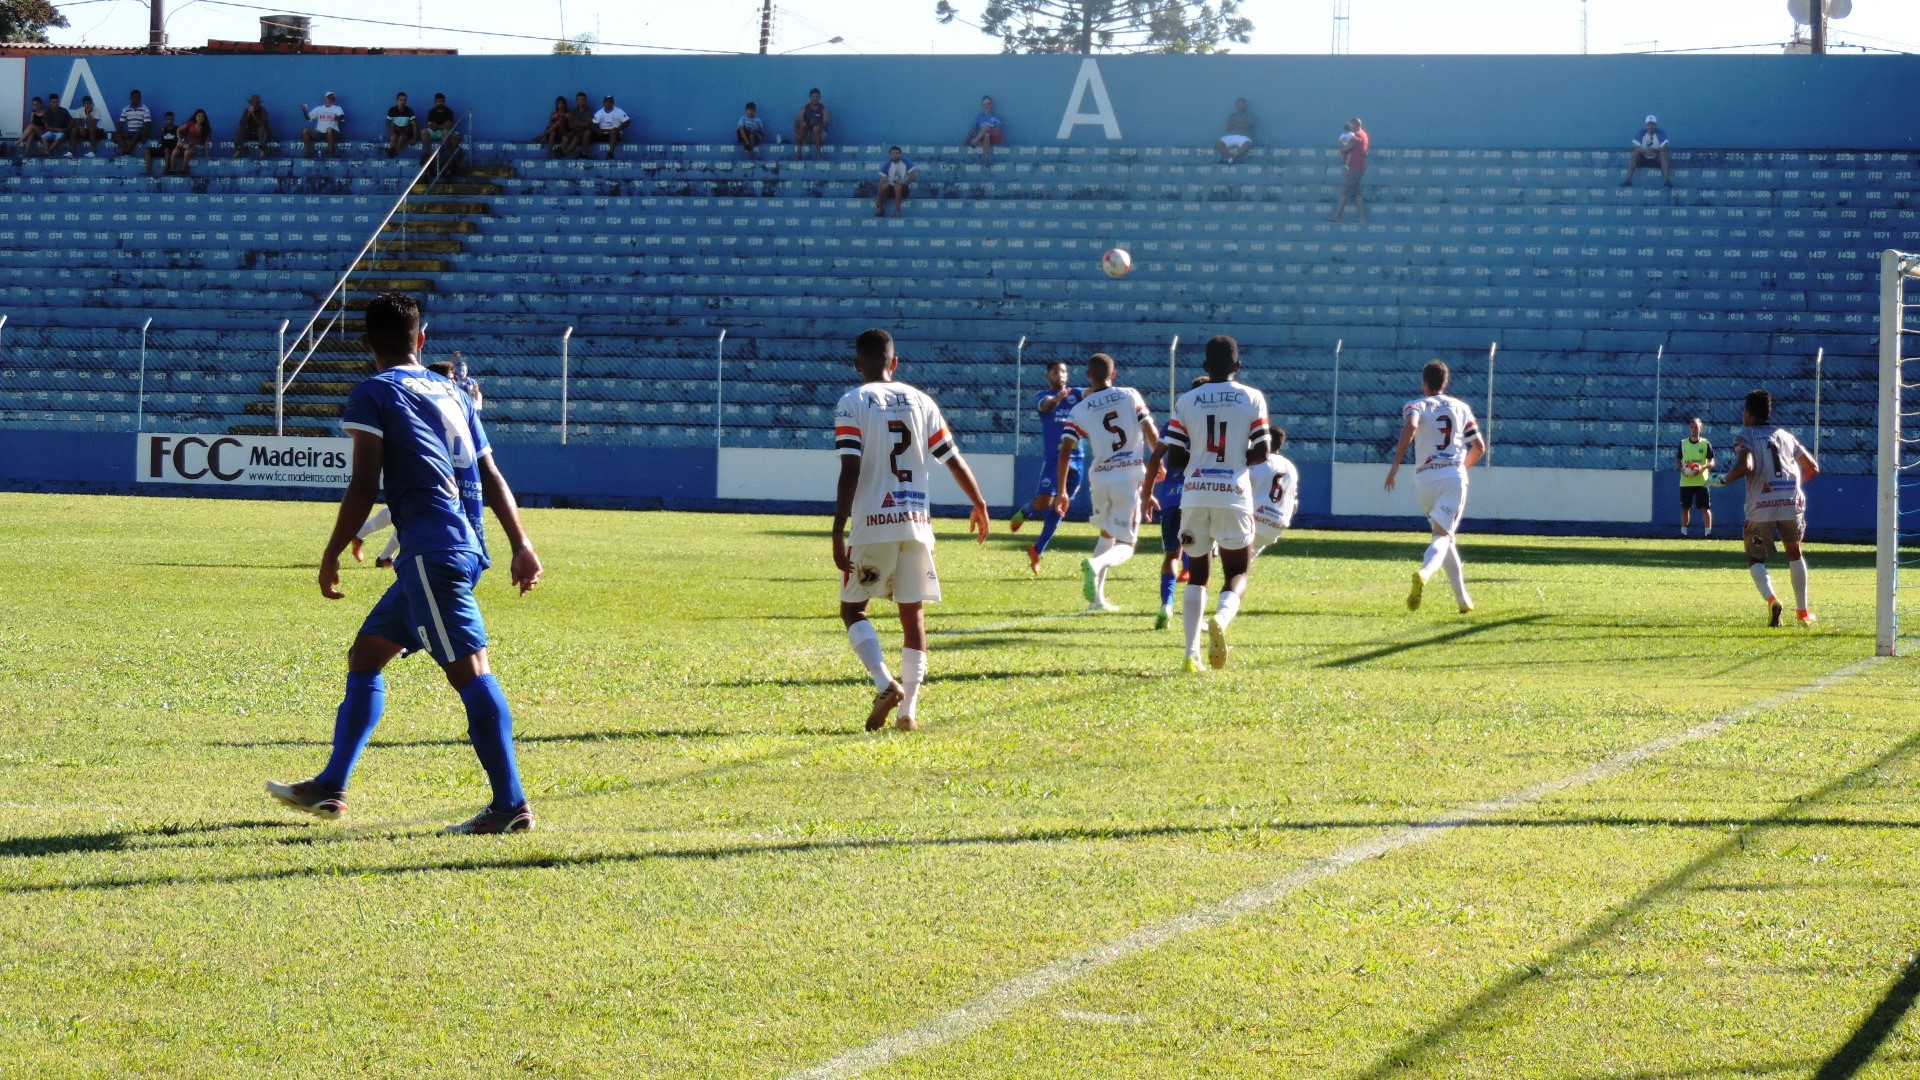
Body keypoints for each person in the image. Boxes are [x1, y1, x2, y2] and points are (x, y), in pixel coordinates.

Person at [266, 293, 545, 835]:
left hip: (432, 553)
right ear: (422, 340)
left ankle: (510, 806)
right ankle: (331, 786)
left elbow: (365, 482)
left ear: (366, 345)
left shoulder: (374, 392)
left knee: (473, 673)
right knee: (366, 654)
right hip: (457, 548)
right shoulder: (454, 391)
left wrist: (330, 551)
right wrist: (521, 542)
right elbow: (490, 474)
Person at [831, 328, 990, 731]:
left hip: (872, 524)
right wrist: (979, 501)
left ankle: (886, 684)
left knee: (853, 609)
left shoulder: (852, 402)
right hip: (916, 523)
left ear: (857, 365)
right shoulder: (922, 401)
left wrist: (837, 529)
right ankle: (909, 712)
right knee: (912, 614)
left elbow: (850, 467)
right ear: (895, 363)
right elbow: (951, 458)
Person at [1150, 336, 1271, 671]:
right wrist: (1234, 460)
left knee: (1198, 573)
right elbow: (1263, 449)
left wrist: (1200, 460)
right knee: (1237, 570)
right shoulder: (1252, 397)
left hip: (1194, 493)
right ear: (1238, 366)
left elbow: (1174, 455)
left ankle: (1191, 655)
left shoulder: (1188, 400)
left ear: (1205, 367)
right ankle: (1220, 618)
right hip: (1233, 492)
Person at [1051, 353, 1158, 613]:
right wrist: (1158, 463)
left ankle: (1096, 601)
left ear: (1089, 376)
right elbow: (1150, 430)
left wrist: (1062, 490)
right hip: (1128, 476)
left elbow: (1065, 450)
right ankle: (1096, 565)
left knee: (1107, 534)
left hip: (1099, 477)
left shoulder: (1079, 409)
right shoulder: (1130, 395)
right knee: (1127, 546)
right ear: (1114, 374)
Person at [1384, 359, 1485, 615]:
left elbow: (1412, 425)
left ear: (1424, 383)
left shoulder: (1416, 405)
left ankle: (1463, 601)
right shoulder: (1462, 408)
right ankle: (1425, 573)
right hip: (1452, 476)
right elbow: (1479, 447)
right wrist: (1461, 469)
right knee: (1442, 537)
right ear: (1446, 382)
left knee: (1445, 538)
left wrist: (1396, 464)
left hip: (1424, 478)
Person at [1716, 388, 1819, 627]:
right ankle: (1803, 613)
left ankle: (1772, 599)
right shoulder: (1785, 435)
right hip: (1790, 503)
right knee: (1794, 552)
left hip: (1762, 505)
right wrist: (1790, 486)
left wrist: (1725, 479)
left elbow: (1748, 464)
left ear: (1749, 413)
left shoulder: (1745, 437)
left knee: (1755, 556)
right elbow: (1812, 468)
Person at [1142, 375, 1209, 630]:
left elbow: (1155, 458)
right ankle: (1197, 616)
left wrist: (1147, 495)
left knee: (1172, 553)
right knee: (1202, 556)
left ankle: (1166, 605)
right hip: (1201, 494)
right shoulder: (1216, 424)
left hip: (1172, 495)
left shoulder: (1176, 423)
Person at [1008, 360, 1085, 574]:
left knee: (1061, 507)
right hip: (1054, 458)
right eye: (1055, 371)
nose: (1060, 375)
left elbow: (1093, 395)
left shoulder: (1077, 394)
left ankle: (1037, 549)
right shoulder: (1043, 397)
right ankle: (1027, 511)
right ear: (1047, 376)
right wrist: (1057, 399)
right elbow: (1045, 406)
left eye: (1063, 371)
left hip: (1077, 457)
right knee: (1044, 502)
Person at [1248, 426, 1299, 558]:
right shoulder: (1291, 468)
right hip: (1276, 526)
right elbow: (1294, 504)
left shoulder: (1259, 460)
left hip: (1253, 521)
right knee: (1244, 562)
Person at [1678, 416, 1715, 538]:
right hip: (1686, 482)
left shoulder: (1706, 444)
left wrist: (1701, 468)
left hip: (1702, 482)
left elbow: (1712, 462)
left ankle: (1708, 534)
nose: (1694, 429)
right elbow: (1678, 461)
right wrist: (1683, 469)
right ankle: (1683, 533)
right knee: (1685, 508)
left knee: (1705, 508)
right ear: (1690, 428)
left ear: (1701, 429)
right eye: (1692, 427)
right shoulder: (1683, 443)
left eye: (1697, 427)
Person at [1329, 117, 1368, 222]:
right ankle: (1362, 217)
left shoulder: (1357, 136)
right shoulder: (1363, 134)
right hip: (1360, 167)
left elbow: (1345, 148)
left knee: (1345, 192)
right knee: (1357, 193)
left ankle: (1337, 216)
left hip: (1354, 168)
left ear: (1355, 125)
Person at [1624, 115, 1673, 188]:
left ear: (1656, 125)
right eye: (1649, 124)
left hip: (1656, 158)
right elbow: (1636, 147)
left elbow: (1665, 148)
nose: (1651, 126)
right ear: (1645, 125)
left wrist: (1654, 150)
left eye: (1653, 124)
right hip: (1643, 157)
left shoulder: (1661, 132)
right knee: (1634, 154)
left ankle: (1667, 181)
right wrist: (1645, 151)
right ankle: (1628, 180)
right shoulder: (1641, 132)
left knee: (1663, 154)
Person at [300, 92, 346, 158]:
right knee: (305, 130)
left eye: (332, 98)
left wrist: (338, 118)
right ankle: (308, 153)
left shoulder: (337, 108)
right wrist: (304, 110)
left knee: (329, 130)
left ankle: (331, 154)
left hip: (332, 134)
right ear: (326, 98)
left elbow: (342, 117)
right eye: (329, 98)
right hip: (319, 133)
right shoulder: (319, 109)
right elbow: (308, 118)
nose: (331, 99)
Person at [875, 145, 916, 218]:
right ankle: (880, 209)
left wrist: (903, 182)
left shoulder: (906, 162)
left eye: (897, 153)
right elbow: (881, 181)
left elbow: (913, 176)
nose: (895, 155)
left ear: (900, 154)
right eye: (893, 153)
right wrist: (878, 197)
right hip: (890, 190)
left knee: (898, 185)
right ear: (890, 155)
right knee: (884, 184)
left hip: (903, 189)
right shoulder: (887, 165)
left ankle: (897, 211)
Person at [423, 92, 463, 167]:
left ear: (444, 102)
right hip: (434, 133)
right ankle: (428, 154)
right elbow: (430, 126)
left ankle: (444, 154)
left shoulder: (449, 112)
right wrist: (442, 126)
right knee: (424, 131)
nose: (440, 103)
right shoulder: (432, 112)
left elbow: (448, 126)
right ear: (435, 102)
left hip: (444, 133)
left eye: (442, 101)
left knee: (446, 131)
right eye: (438, 101)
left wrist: (436, 125)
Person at [963, 95, 1004, 164]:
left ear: (991, 105)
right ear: (982, 106)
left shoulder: (997, 116)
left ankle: (974, 142)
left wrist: (988, 128)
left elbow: (999, 129)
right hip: (983, 139)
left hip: (995, 138)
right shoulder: (979, 116)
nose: (987, 106)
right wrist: (965, 140)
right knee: (986, 134)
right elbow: (972, 129)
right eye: (985, 104)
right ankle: (986, 158)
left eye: (988, 104)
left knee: (986, 127)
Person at [588, 95, 630, 159]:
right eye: (607, 102)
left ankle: (611, 154)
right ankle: (584, 154)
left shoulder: (619, 111)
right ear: (603, 103)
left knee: (613, 131)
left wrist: (618, 129)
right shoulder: (599, 112)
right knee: (588, 132)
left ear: (613, 103)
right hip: (602, 134)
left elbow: (628, 122)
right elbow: (593, 124)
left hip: (615, 134)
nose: (608, 104)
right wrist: (598, 130)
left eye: (610, 102)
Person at [793, 88, 829, 161]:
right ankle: (799, 152)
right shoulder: (805, 108)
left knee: (816, 128)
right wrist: (802, 121)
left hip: (820, 134)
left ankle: (819, 153)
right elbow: (799, 118)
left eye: (817, 97)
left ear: (820, 97)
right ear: (810, 97)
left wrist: (818, 124)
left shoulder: (824, 109)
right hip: (807, 135)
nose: (815, 99)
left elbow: (826, 123)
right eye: (813, 97)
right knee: (801, 126)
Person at [114, 90, 152, 158]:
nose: (136, 99)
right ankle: (127, 152)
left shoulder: (145, 109)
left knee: (138, 133)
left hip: (139, 133)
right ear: (131, 98)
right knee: (117, 134)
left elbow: (147, 124)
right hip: (130, 132)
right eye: (134, 97)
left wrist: (145, 135)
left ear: (140, 98)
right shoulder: (126, 109)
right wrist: (117, 133)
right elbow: (121, 123)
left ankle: (126, 152)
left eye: (138, 97)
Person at [1216, 98, 1254, 164]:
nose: (1240, 105)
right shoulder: (1232, 116)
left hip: (1243, 137)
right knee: (1218, 144)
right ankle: (1230, 157)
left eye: (1242, 104)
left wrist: (1236, 124)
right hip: (1231, 136)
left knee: (1247, 144)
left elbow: (1249, 127)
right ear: (1236, 105)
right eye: (1239, 104)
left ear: (1245, 105)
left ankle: (1234, 158)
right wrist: (1241, 125)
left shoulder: (1249, 116)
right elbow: (1228, 128)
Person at [175, 108, 211, 174]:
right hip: (186, 144)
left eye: (202, 116)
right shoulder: (190, 124)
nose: (200, 118)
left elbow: (206, 141)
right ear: (195, 117)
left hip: (196, 146)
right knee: (176, 150)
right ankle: (172, 170)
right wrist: (180, 140)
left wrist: (207, 154)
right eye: (199, 116)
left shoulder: (205, 128)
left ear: (205, 118)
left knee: (187, 152)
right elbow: (178, 130)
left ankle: (184, 169)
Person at [384, 92, 420, 158]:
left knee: (402, 137)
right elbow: (388, 123)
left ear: (406, 102)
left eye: (404, 100)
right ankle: (391, 151)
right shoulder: (392, 110)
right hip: (396, 130)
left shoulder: (409, 110)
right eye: (400, 100)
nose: (402, 102)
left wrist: (414, 138)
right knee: (393, 137)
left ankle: (394, 154)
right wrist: (392, 132)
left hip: (406, 132)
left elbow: (414, 124)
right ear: (397, 101)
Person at [40, 93, 73, 158]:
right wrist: (57, 129)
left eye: (57, 102)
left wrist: (64, 130)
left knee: (59, 137)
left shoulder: (63, 110)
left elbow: (72, 123)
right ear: (50, 102)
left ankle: (47, 152)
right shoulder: (47, 111)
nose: (55, 104)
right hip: (52, 131)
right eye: (53, 102)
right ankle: (47, 152)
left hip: (61, 132)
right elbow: (46, 127)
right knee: (43, 137)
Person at [562, 91, 594, 158]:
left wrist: (576, 121)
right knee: (564, 138)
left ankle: (567, 153)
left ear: (585, 100)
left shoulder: (589, 110)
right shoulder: (573, 111)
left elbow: (588, 125)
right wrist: (582, 123)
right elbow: (570, 125)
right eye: (579, 99)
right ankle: (562, 153)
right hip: (575, 131)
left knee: (576, 138)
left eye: (583, 99)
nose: (581, 101)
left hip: (584, 131)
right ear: (577, 101)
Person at [147, 111, 179, 177]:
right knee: (147, 150)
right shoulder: (163, 129)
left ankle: (166, 171)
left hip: (172, 150)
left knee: (167, 150)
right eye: (168, 119)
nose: (169, 121)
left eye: (171, 119)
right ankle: (149, 171)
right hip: (163, 148)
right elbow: (160, 140)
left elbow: (179, 140)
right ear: (165, 120)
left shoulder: (177, 129)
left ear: (173, 119)